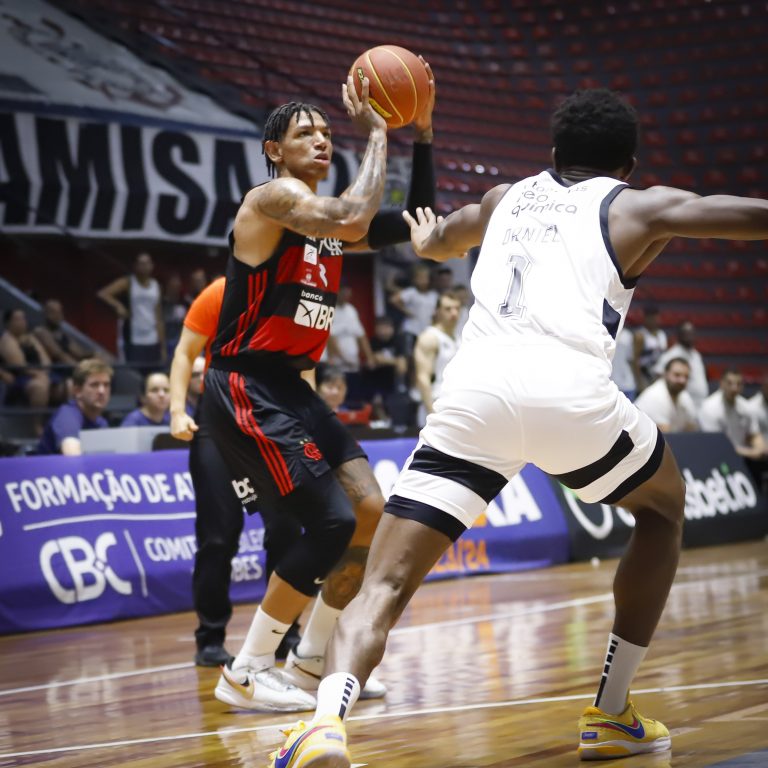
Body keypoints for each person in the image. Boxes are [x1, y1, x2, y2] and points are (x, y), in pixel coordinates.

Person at [271, 87, 768, 766]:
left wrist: (428, 236)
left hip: (474, 400)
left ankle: (324, 725)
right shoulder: (638, 205)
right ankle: (610, 712)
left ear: (554, 152)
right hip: (571, 401)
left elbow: (436, 243)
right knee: (663, 510)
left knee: (384, 581)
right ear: (627, 164)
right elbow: (740, 215)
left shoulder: (504, 198)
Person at [196, 65, 438, 712]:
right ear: (274, 150)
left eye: (329, 132)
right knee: (331, 522)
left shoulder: (325, 226)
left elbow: (418, 222)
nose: (323, 140)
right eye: (306, 133)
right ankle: (246, 670)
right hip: (244, 382)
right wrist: (378, 133)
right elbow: (357, 214)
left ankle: (309, 661)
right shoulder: (272, 199)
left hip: (291, 387)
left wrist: (422, 134)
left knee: (370, 511)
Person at [170, 277, 300, 667]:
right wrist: (176, 410)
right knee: (218, 536)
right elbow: (184, 352)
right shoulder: (219, 293)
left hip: (269, 425)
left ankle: (282, 633)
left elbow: (301, 365)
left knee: (286, 529)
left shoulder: (291, 294)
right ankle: (210, 637)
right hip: (217, 423)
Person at [97, 252, 166, 367]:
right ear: (135, 266)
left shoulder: (156, 286)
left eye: (147, 263)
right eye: (141, 263)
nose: (144, 266)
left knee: (154, 371)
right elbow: (103, 293)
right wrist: (118, 305)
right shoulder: (128, 282)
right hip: (134, 339)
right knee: (135, 371)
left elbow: (158, 316)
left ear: (152, 265)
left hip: (152, 338)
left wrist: (162, 346)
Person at [36, 358, 112, 455]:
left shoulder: (101, 423)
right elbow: (73, 457)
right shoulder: (67, 417)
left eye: (106, 385)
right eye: (94, 385)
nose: (102, 391)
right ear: (77, 391)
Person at [411, 290, 462, 427]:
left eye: (457, 308)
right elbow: (422, 377)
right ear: (437, 311)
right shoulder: (429, 337)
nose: (454, 313)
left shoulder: (460, 339)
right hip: (437, 404)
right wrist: (431, 412)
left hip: (458, 404)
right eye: (448, 309)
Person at [699, 369, 767, 464]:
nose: (734, 388)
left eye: (738, 384)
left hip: (743, 457)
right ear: (721, 384)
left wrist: (760, 448)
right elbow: (715, 444)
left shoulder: (746, 406)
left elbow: (754, 434)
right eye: (729, 383)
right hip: (716, 457)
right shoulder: (709, 407)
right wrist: (750, 452)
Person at [0, 308, 51, 411]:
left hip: (41, 373)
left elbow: (46, 359)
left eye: (23, 318)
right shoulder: (7, 340)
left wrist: (45, 372)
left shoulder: (31, 338)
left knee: (69, 384)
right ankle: (36, 421)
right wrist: (40, 374)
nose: (22, 322)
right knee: (39, 387)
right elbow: (20, 367)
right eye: (18, 319)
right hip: (20, 378)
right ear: (8, 323)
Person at [653, 321, 709, 408]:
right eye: (686, 333)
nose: (690, 336)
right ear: (679, 335)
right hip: (681, 404)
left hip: (701, 403)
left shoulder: (696, 354)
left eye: (691, 333)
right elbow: (658, 374)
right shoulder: (671, 354)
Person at [634, 357, 698, 432]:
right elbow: (666, 435)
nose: (682, 380)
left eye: (686, 376)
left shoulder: (684, 395)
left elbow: (692, 427)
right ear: (665, 374)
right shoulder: (655, 396)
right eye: (677, 375)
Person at [324, 283, 374, 373]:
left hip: (353, 363)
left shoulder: (351, 310)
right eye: (343, 292)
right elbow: (329, 337)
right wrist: (344, 359)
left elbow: (361, 335)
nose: (346, 295)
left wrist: (369, 357)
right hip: (336, 363)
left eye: (348, 292)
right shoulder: (328, 308)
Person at [33, 299, 92, 367]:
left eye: (59, 312)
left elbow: (79, 353)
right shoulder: (40, 332)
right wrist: (80, 367)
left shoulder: (62, 334)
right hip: (55, 368)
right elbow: (59, 355)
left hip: (70, 366)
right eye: (53, 312)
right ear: (45, 313)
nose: (58, 316)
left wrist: (94, 354)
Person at [632, 304, 666, 393]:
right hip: (645, 376)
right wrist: (640, 383)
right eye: (652, 318)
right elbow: (635, 361)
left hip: (658, 376)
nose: (655, 320)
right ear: (646, 318)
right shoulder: (640, 335)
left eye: (656, 317)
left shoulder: (662, 335)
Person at [611, 326, 638, 401]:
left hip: (627, 384)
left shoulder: (628, 335)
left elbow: (631, 359)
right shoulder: (603, 334)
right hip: (611, 384)